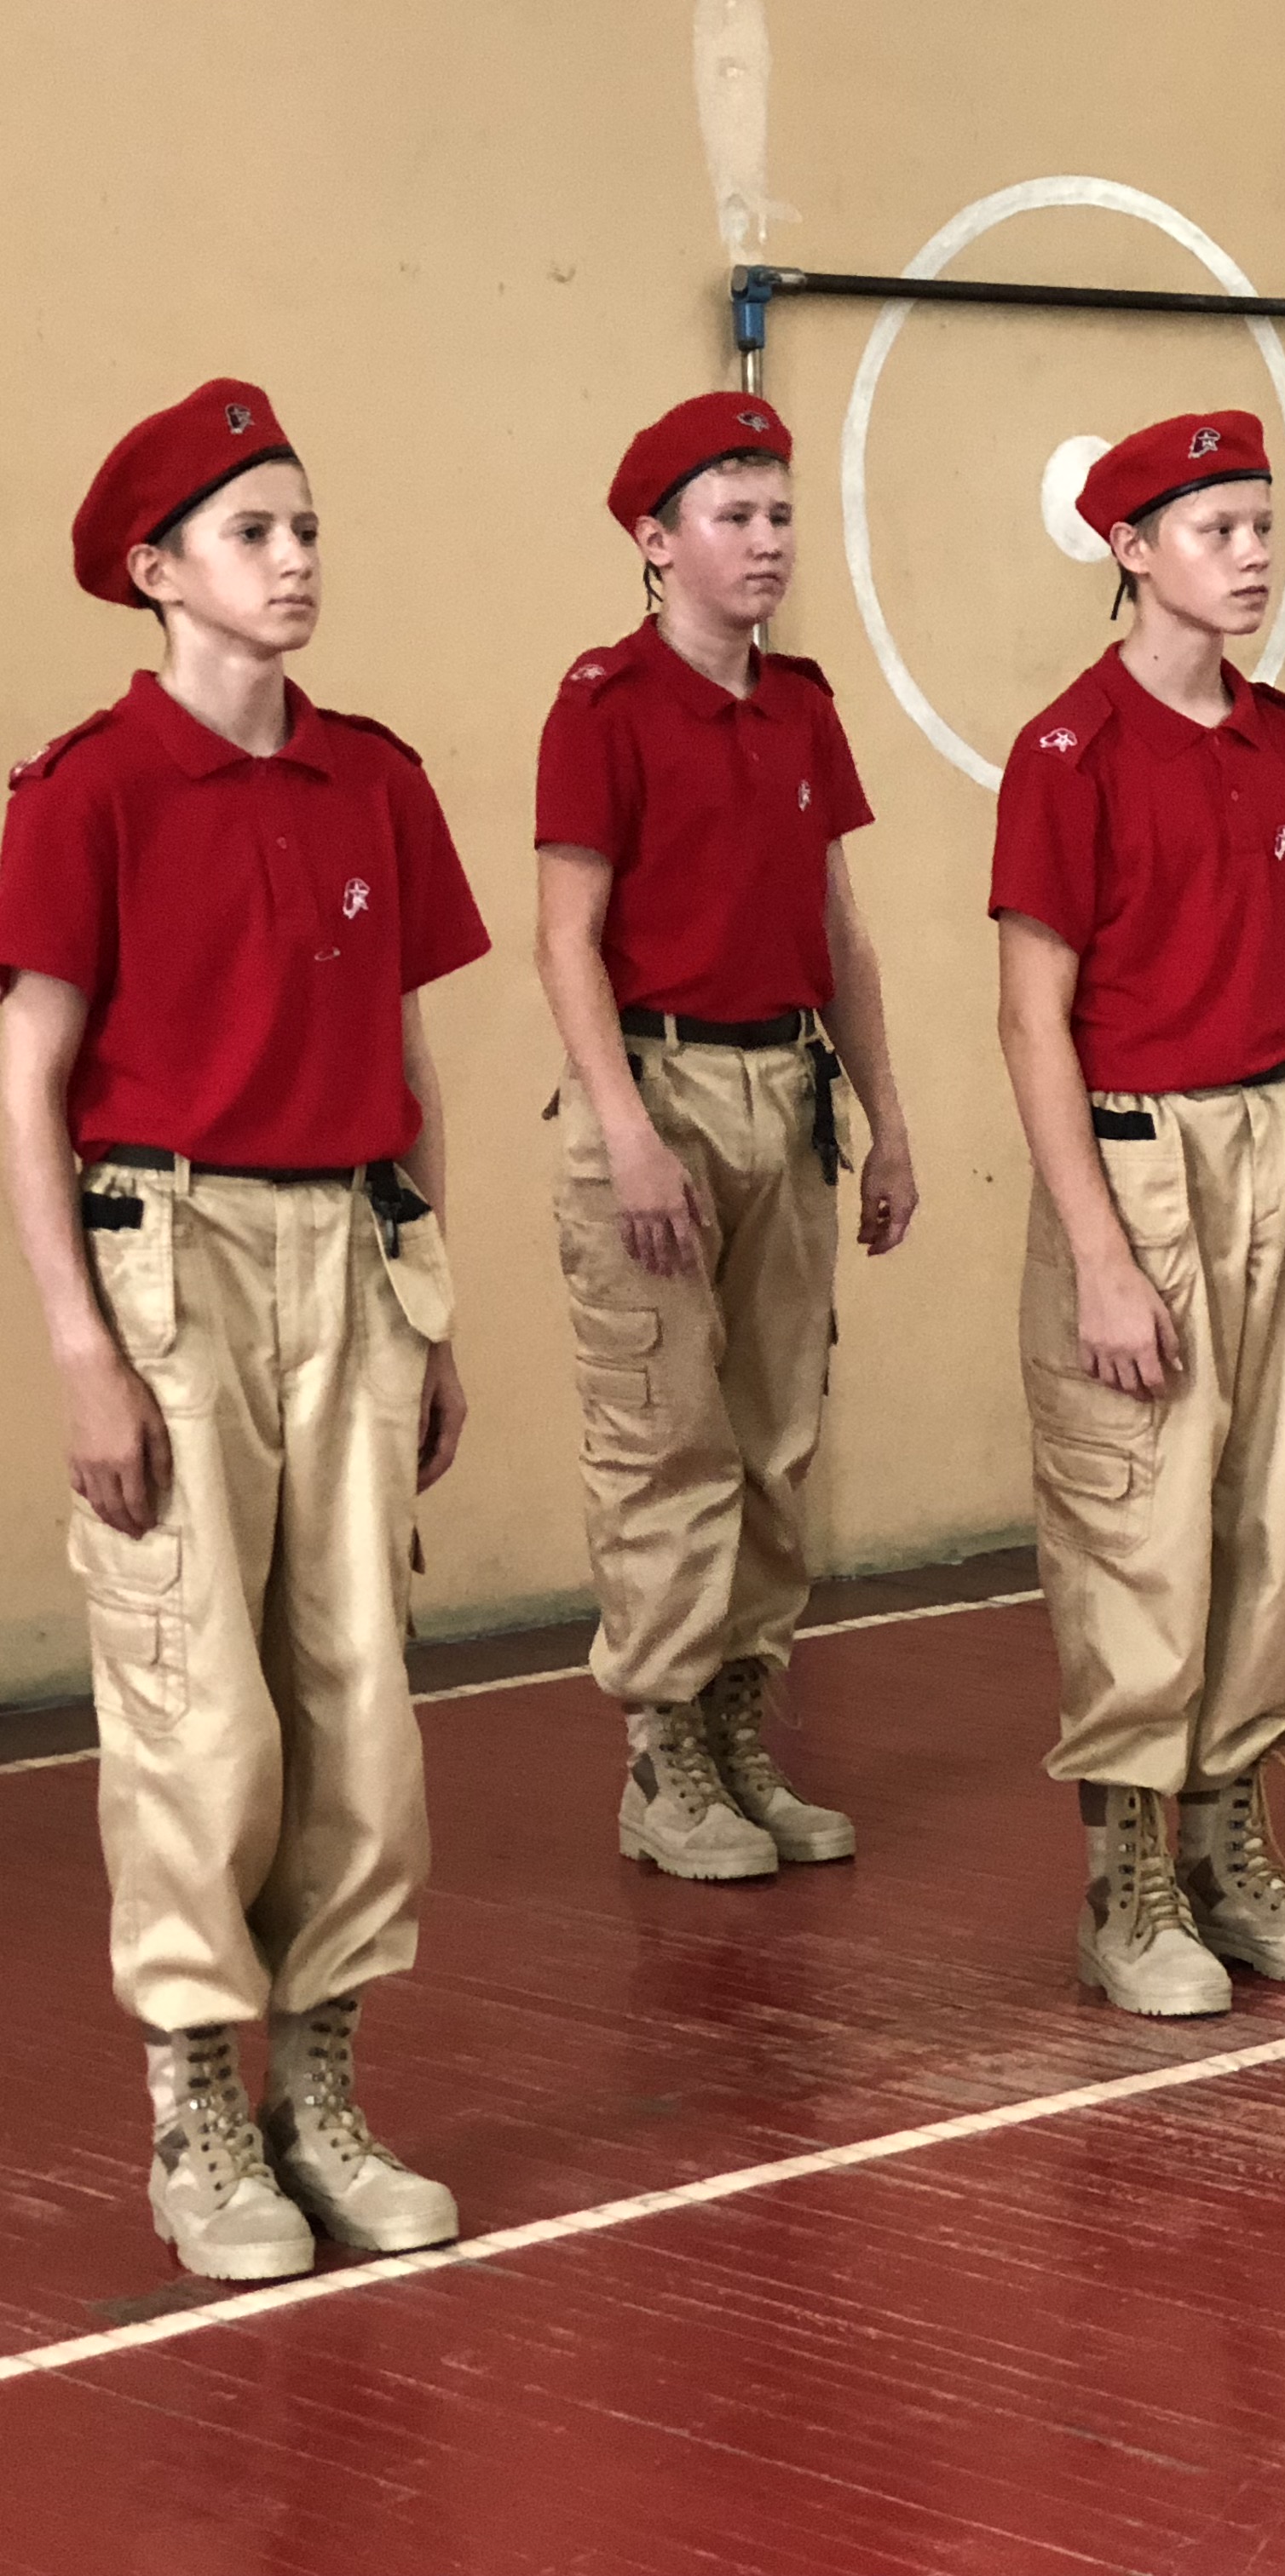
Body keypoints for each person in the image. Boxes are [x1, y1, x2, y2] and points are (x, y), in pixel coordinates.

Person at [0, 380, 487, 2279]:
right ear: (157, 571)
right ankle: (199, 2113)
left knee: (359, 1698)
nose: (294, 563)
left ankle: (325, 2094)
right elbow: (27, 1076)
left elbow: (410, 1057)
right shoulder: (90, 791)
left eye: (305, 529)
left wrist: (432, 1306)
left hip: (351, 1257)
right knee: (199, 1711)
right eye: (253, 534)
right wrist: (80, 1351)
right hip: (170, 1259)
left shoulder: (373, 779)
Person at [989, 410, 1285, 2018]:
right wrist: (1099, 1255)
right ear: (1133, 551)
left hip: (1282, 1146)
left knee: (1270, 1529)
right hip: (1142, 1164)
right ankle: (1128, 1888)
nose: (1252, 554)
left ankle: (1231, 1858)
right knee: (1137, 1527)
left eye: (1263, 525)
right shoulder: (1069, 753)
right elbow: (1032, 1020)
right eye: (1217, 530)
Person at [533, 392, 918, 1884]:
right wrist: (626, 1133)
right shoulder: (604, 706)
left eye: (779, 516)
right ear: (656, 540)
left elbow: (840, 930)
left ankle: (741, 1722)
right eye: (734, 517)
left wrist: (888, 1120)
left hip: (787, 1088)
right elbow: (566, 941)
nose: (767, 542)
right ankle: (664, 1754)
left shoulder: (803, 706)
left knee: (773, 1438)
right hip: (657, 1089)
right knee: (664, 1440)